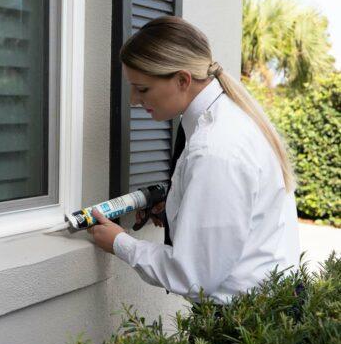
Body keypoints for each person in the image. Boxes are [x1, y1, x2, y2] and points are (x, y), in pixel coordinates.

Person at [89, 16, 300, 305]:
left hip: (246, 328)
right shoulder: (226, 120)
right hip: (263, 313)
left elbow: (194, 276)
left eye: (143, 88)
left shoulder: (215, 149)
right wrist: (177, 205)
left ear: (182, 79)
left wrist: (120, 243)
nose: (133, 100)